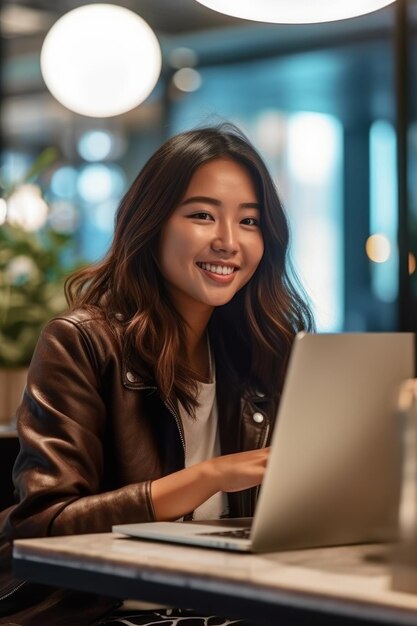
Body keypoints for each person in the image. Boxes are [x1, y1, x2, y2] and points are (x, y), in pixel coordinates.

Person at [0, 124, 314, 625]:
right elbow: (41, 528)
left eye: (250, 221)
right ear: (153, 222)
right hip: (113, 611)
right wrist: (209, 477)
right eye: (202, 215)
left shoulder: (264, 351)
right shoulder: (82, 341)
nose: (228, 241)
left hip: (237, 601)